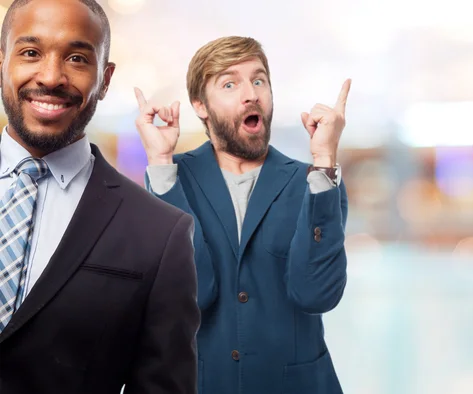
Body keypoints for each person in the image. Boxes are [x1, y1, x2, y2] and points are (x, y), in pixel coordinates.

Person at [0, 1, 200, 393]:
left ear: (105, 79)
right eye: (30, 53)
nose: (51, 76)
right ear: (2, 61)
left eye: (76, 58)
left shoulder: (159, 233)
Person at [135, 35, 350, 394]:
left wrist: (325, 161)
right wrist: (160, 164)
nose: (250, 93)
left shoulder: (314, 183)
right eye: (230, 84)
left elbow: (316, 295)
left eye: (259, 79)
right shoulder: (170, 180)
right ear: (200, 106)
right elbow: (190, 293)